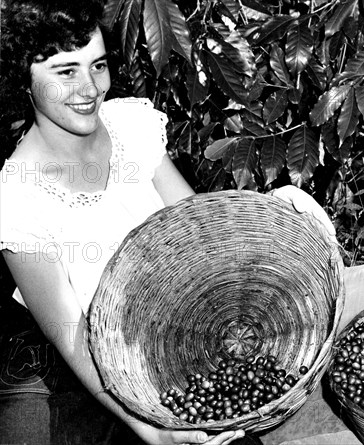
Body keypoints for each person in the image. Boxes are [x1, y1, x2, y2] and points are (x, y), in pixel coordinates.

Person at [0, 0, 336, 444]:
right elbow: (72, 335)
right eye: (66, 72)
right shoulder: (18, 196)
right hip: (90, 370)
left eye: (97, 65)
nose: (89, 88)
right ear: (23, 80)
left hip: (175, 332)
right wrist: (155, 433)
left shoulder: (129, 126)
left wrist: (280, 210)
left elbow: (201, 231)